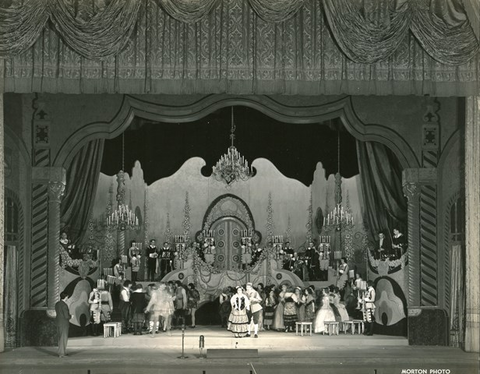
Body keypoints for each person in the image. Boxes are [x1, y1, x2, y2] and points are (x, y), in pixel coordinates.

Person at [55, 291, 72, 358]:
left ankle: (61, 352)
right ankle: (62, 353)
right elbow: (66, 316)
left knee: (60, 338)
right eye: (67, 297)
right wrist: (71, 316)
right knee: (63, 338)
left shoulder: (57, 304)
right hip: (64, 323)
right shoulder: (64, 305)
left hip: (58, 322)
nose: (67, 298)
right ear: (65, 297)